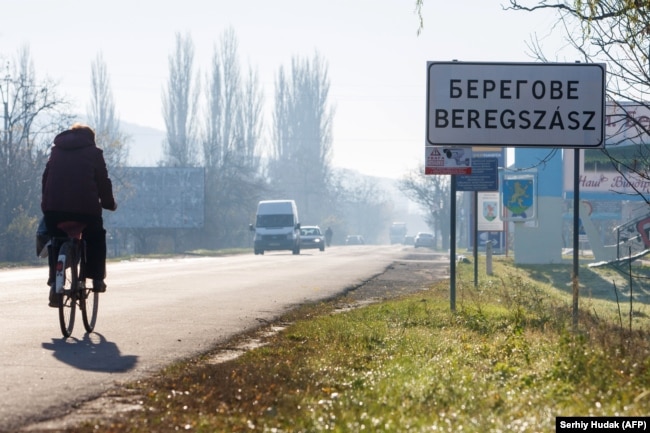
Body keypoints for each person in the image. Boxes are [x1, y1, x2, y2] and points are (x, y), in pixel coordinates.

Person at [41, 123, 117, 307]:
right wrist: (109, 204)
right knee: (96, 237)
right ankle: (97, 278)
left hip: (54, 210)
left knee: (55, 240)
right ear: (90, 138)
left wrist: (47, 205)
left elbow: (45, 179)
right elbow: (103, 182)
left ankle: (54, 282)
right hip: (86, 211)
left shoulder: (56, 151)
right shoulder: (94, 153)